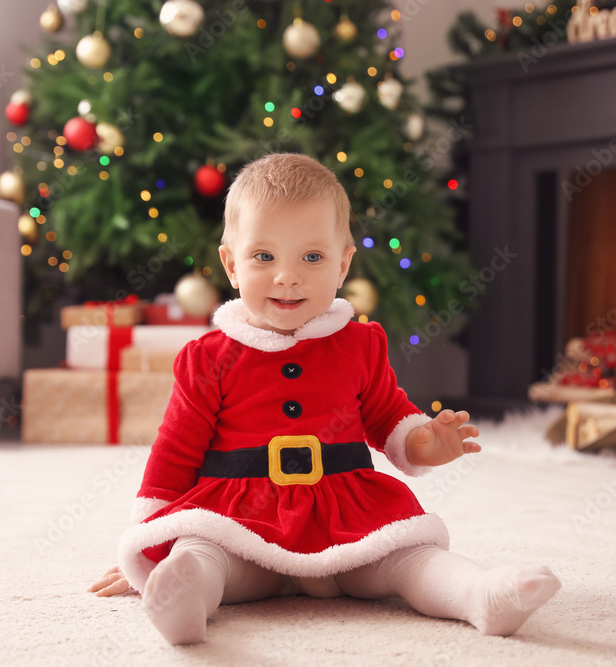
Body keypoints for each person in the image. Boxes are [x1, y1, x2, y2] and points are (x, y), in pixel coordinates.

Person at [89, 153, 561, 645]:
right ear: (231, 264)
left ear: (342, 264)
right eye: (264, 257)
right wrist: (146, 547)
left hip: (347, 513)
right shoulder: (208, 357)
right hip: (239, 516)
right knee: (202, 551)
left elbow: (387, 416)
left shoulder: (361, 343)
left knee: (407, 556)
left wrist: (426, 443)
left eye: (311, 257)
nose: (287, 276)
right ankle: (182, 599)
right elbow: (175, 452)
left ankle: (479, 595)